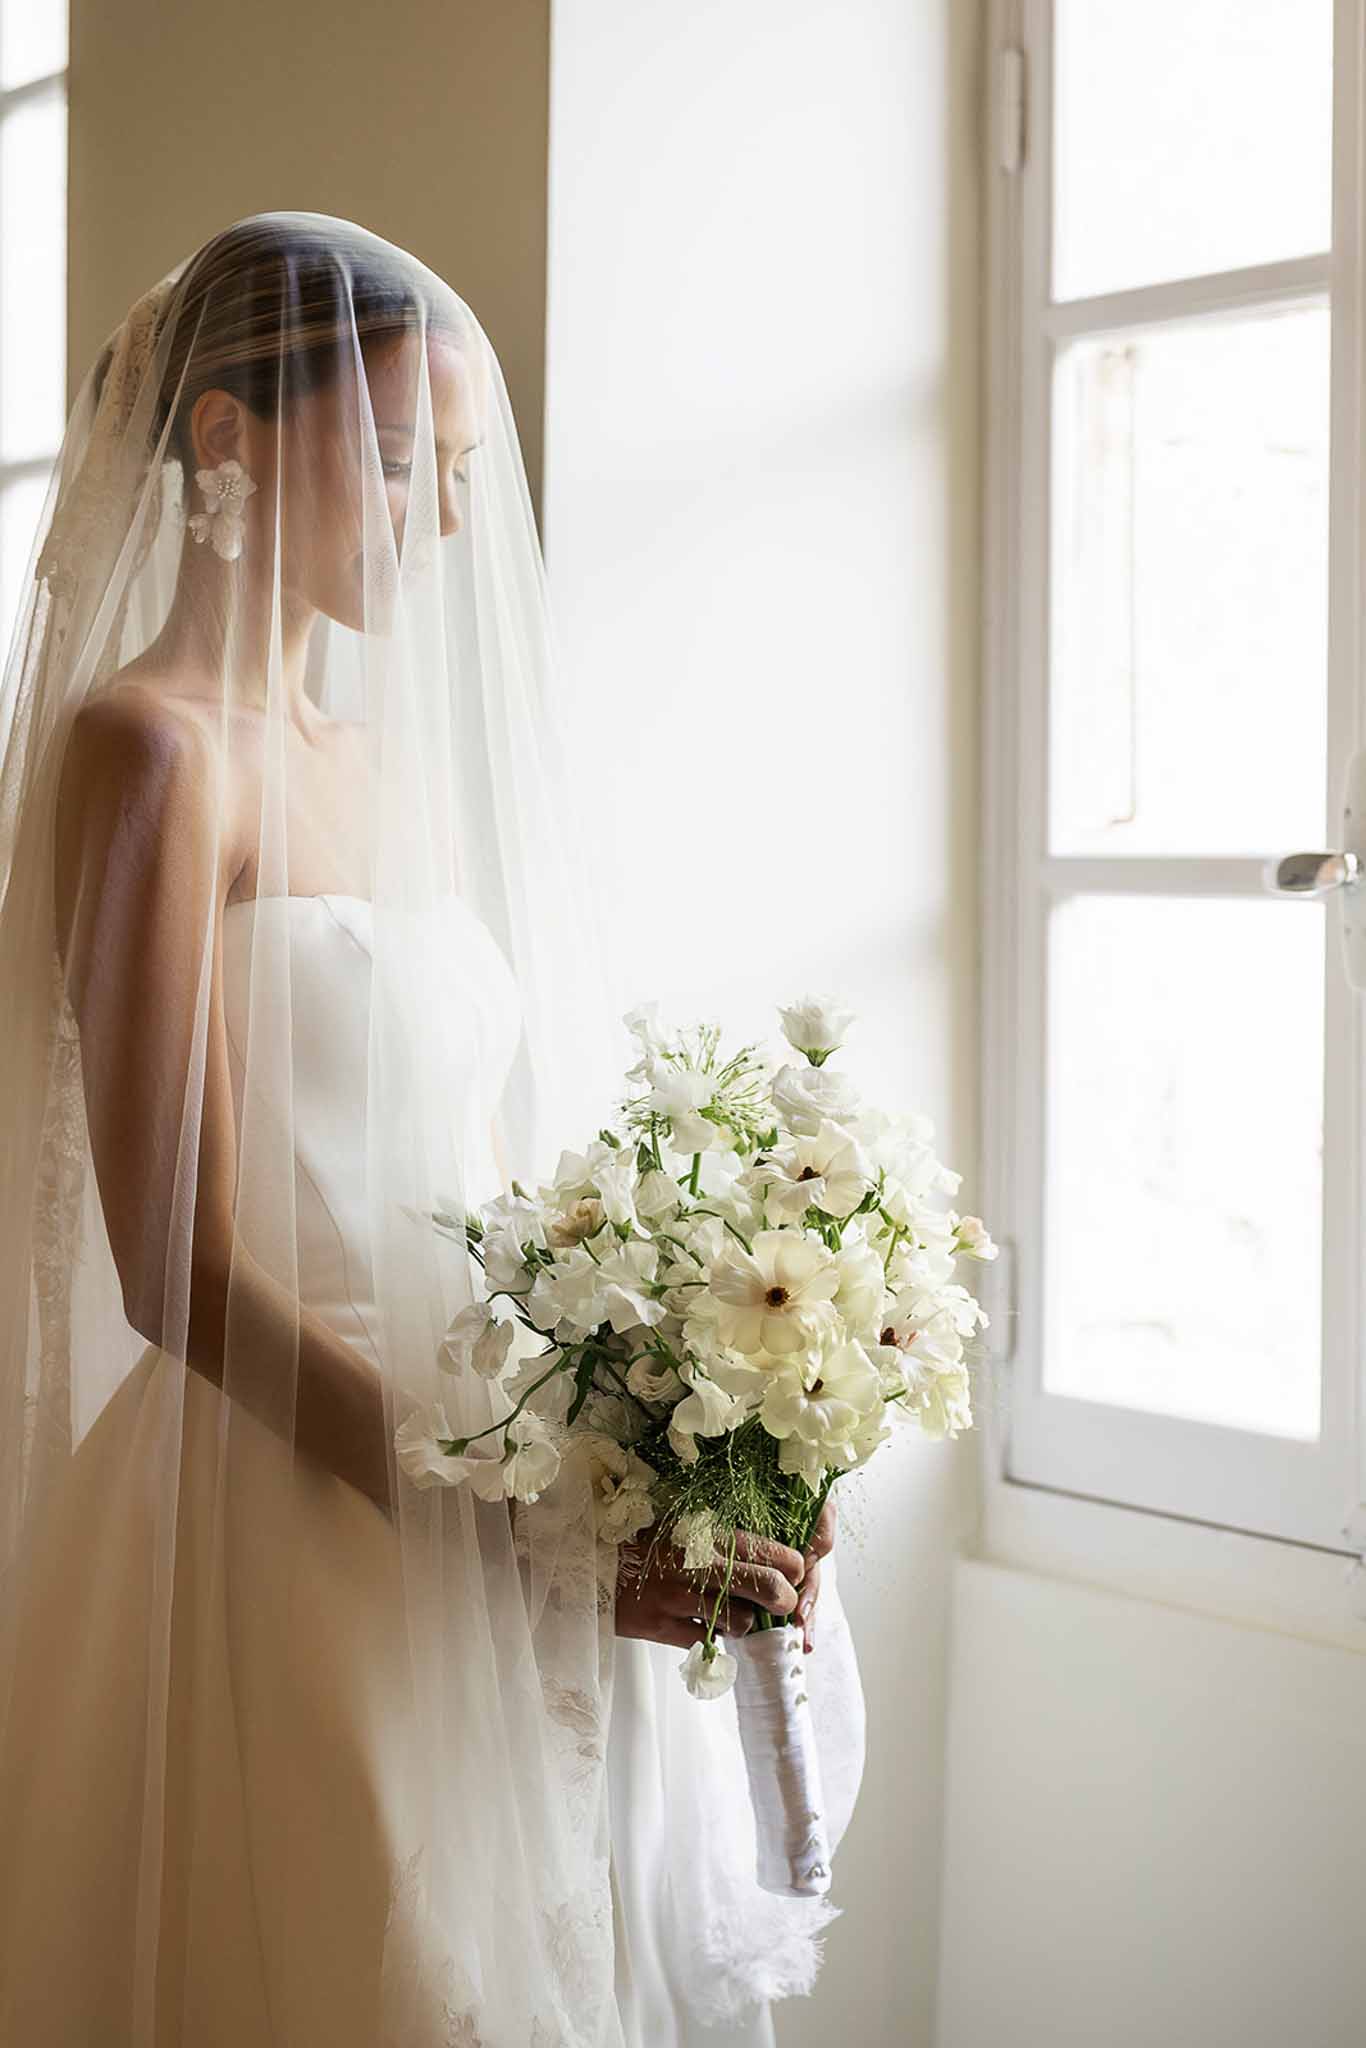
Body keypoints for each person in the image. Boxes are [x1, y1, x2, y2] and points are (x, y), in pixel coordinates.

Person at [0, 212, 864, 2046]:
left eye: (459, 470)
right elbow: (175, 1266)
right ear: (226, 437)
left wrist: (681, 1448)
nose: (445, 520)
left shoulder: (378, 765)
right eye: (400, 461)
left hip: (496, 1459)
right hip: (289, 1497)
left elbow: (479, 1183)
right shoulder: (146, 750)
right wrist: (501, 1524)